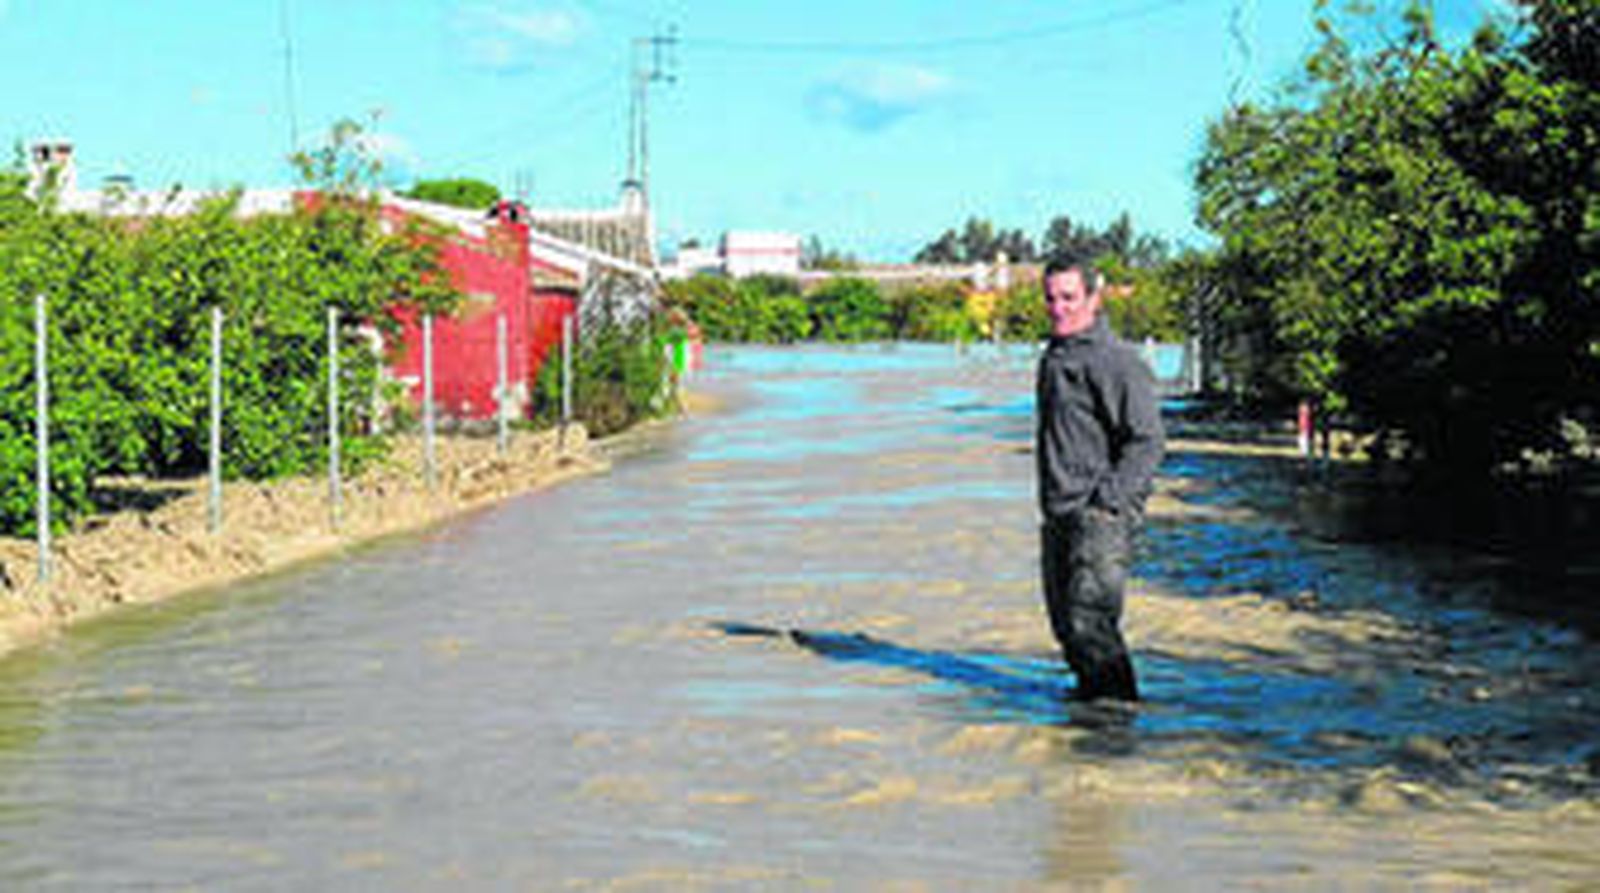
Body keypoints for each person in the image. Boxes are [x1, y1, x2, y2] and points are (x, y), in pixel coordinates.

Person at [1035, 254, 1164, 702]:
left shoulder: (1117, 362)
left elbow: (1148, 441)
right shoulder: (1053, 358)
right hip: (1058, 512)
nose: (1059, 308)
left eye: (1069, 297)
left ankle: (1120, 731)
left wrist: (1107, 502)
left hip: (1100, 515)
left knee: (1092, 625)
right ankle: (1086, 734)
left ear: (1094, 297)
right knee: (1069, 632)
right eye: (1051, 298)